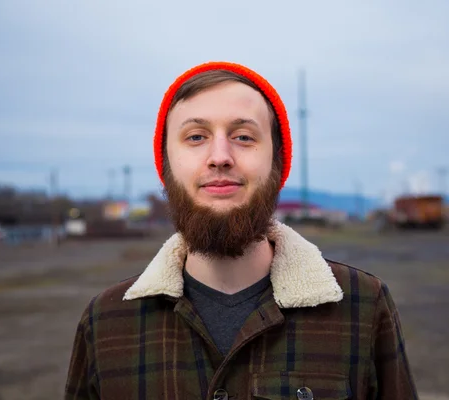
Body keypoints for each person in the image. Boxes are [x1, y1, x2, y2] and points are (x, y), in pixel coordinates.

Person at [65, 61, 418, 400]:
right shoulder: (105, 323)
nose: (220, 156)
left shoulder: (363, 307)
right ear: (166, 165)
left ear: (278, 163)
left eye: (244, 136)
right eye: (196, 136)